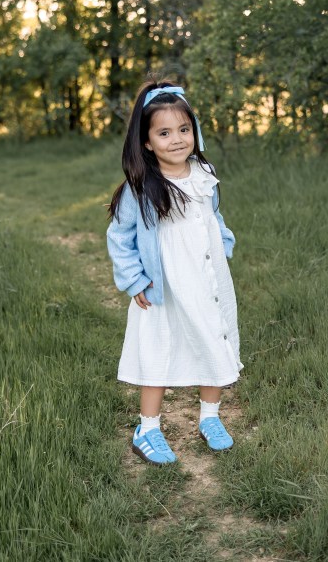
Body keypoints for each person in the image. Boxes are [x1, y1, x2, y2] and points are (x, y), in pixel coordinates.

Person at [107, 80, 242, 465]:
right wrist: (135, 279)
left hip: (207, 279)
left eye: (184, 129)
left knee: (214, 337)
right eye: (164, 133)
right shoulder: (141, 187)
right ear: (147, 142)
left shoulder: (203, 172)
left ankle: (210, 417)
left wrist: (223, 242)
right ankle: (147, 428)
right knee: (159, 347)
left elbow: (212, 214)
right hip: (165, 284)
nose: (177, 139)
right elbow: (119, 236)